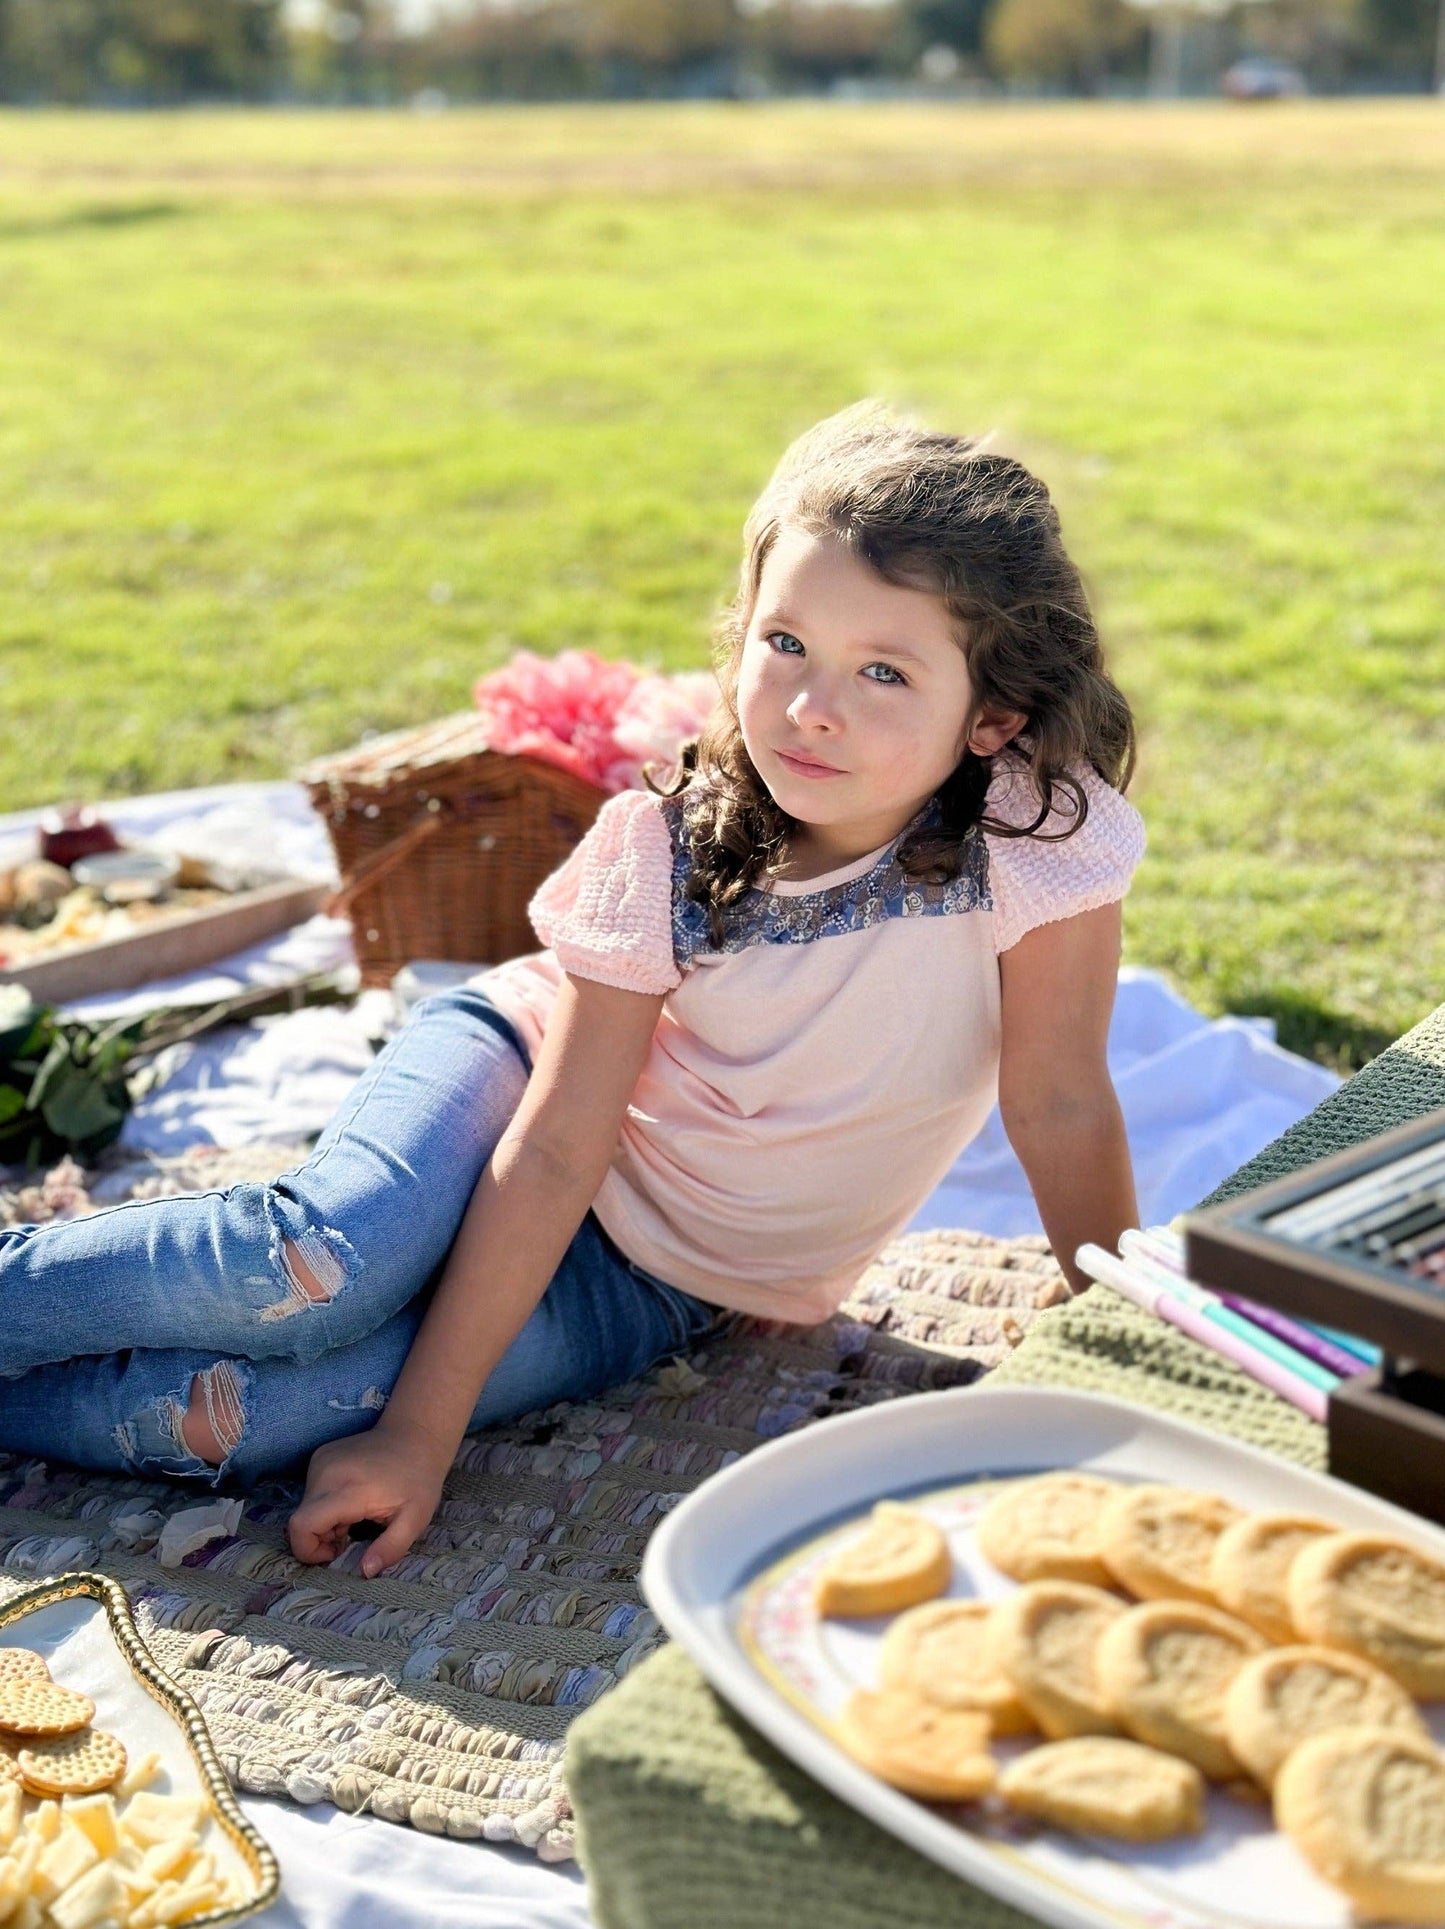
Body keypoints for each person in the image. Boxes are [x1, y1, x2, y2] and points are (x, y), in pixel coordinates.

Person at [0, 401, 1146, 1579]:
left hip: (658, 1284)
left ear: (990, 717)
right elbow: (555, 1146)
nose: (810, 707)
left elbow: (1056, 1100)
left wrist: (1114, 1325)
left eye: (884, 672)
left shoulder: (1031, 839)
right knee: (306, 1267)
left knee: (235, 1417)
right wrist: (425, 1430)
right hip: (519, 1083)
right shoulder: (666, 851)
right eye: (785, 644)